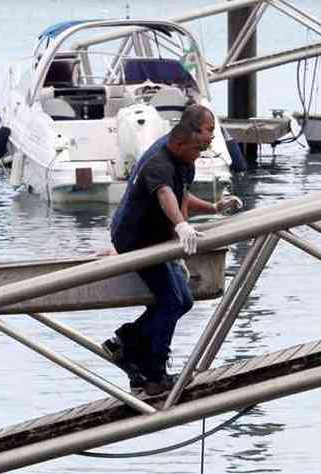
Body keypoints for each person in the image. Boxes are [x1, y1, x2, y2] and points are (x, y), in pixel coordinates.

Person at [104, 105, 243, 395]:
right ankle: (154, 374)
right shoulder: (158, 162)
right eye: (196, 148)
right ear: (180, 141)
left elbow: (181, 192)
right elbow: (165, 194)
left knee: (183, 301)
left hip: (159, 238)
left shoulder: (183, 156)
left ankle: (126, 343)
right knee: (170, 302)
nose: (197, 157)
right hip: (136, 239)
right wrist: (181, 225)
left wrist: (214, 208)